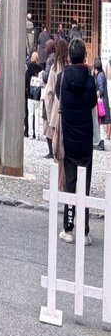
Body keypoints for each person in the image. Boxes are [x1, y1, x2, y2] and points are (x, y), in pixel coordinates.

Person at [56, 37, 97, 244]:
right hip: (85, 140)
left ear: (70, 56)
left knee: (70, 184)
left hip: (69, 139)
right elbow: (92, 103)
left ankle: (68, 228)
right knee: (85, 184)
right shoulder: (90, 80)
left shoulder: (62, 78)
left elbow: (58, 96)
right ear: (84, 56)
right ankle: (85, 231)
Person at [42, 37, 69, 160]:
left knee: (56, 143)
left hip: (55, 110)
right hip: (68, 110)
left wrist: (48, 112)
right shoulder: (69, 67)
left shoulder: (54, 68)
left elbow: (49, 93)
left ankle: (57, 166)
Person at [25, 50, 43, 139]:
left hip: (30, 94)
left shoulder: (29, 68)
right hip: (38, 94)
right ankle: (37, 133)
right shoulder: (40, 69)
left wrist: (27, 91)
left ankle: (30, 133)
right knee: (37, 114)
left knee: (30, 114)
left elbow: (26, 81)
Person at [95, 57, 109, 151]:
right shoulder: (102, 74)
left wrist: (94, 93)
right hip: (104, 102)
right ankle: (101, 142)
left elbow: (100, 90)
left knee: (100, 122)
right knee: (101, 123)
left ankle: (101, 143)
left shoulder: (100, 76)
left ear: (96, 69)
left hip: (101, 103)